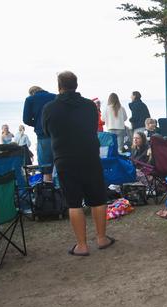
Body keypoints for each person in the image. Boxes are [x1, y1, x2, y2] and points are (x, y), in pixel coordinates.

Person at [41, 71, 115, 257]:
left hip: (65, 158)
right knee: (98, 199)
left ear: (59, 86)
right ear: (76, 85)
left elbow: (47, 131)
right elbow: (93, 127)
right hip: (89, 155)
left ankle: (81, 245)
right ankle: (101, 238)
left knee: (74, 203)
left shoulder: (50, 108)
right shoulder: (89, 105)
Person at [23, 85, 56, 182]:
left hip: (43, 135)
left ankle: (49, 194)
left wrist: (37, 124)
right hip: (58, 134)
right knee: (60, 165)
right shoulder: (55, 96)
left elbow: (26, 119)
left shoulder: (30, 99)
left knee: (46, 168)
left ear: (32, 93)